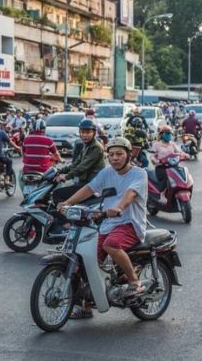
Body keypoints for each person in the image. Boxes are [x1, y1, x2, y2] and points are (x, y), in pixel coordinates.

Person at [58, 136, 148, 319]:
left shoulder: (139, 174)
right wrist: (67, 202)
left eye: (119, 154)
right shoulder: (107, 172)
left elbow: (131, 193)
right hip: (108, 223)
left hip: (130, 222)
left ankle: (134, 281)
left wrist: (119, 207)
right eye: (111, 154)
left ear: (128, 155)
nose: (115, 158)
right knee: (86, 259)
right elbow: (89, 189)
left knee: (111, 245)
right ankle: (86, 306)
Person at [52, 119, 106, 211]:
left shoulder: (96, 147)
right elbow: (76, 163)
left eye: (88, 132)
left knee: (57, 194)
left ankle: (66, 218)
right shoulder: (87, 145)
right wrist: (58, 171)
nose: (84, 135)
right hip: (85, 182)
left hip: (91, 185)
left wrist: (66, 177)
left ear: (94, 133)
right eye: (82, 132)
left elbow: (83, 166)